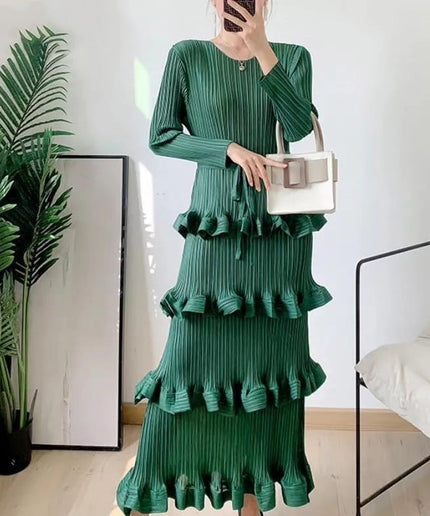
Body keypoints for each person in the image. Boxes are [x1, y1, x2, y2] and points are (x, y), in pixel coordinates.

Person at [116, 0, 333, 515]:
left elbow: (297, 128)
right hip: (213, 226)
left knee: (267, 368)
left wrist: (262, 51)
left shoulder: (293, 57)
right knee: (190, 360)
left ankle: (251, 496)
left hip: (279, 238)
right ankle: (155, 486)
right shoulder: (187, 55)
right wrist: (227, 149)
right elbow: (162, 136)